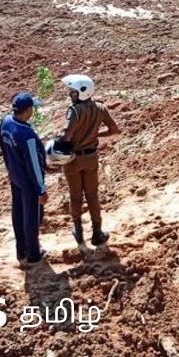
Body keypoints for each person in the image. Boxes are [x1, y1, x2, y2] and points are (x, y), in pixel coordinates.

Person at [59, 74, 120, 246]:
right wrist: (94, 135)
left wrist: (59, 140)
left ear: (82, 92)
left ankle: (78, 232)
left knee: (75, 195)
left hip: (73, 159)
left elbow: (67, 135)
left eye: (73, 92)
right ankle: (97, 233)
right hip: (91, 158)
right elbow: (114, 130)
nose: (70, 94)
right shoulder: (100, 108)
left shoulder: (74, 111)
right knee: (92, 195)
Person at [0, 92, 49, 267]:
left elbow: (3, 149)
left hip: (15, 176)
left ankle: (21, 250)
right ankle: (34, 254)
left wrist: (10, 169)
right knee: (31, 216)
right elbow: (34, 165)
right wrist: (41, 189)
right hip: (28, 183)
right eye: (32, 108)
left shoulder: (6, 122)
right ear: (27, 110)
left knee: (18, 213)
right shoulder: (27, 135)